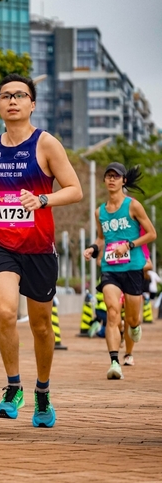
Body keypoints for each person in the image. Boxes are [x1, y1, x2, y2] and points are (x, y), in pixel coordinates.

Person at [0, 73, 83, 428]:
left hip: (38, 246)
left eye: (19, 95)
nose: (12, 101)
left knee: (42, 326)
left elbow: (74, 189)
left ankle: (42, 391)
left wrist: (43, 199)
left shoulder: (46, 144)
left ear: (33, 104)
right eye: (6, 96)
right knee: (4, 311)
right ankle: (13, 387)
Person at [83, 162, 157, 379]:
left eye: (116, 176)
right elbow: (101, 238)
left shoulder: (133, 206)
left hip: (133, 268)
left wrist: (129, 245)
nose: (111, 179)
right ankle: (114, 362)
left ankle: (134, 327)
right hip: (110, 269)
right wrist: (93, 248)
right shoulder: (100, 212)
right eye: (108, 176)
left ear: (124, 180)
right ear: (104, 180)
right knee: (112, 312)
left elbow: (152, 234)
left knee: (133, 320)